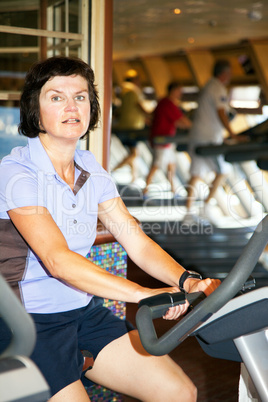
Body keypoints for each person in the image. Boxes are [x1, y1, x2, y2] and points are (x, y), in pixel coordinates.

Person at [0, 56, 220, 402]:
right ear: (34, 108)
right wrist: (143, 293)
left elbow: (136, 241)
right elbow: (58, 261)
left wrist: (185, 279)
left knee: (179, 392)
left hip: (84, 313)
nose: (72, 106)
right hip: (28, 324)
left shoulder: (90, 166)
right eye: (56, 97)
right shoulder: (17, 172)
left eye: (81, 96)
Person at [184, 59, 238, 224]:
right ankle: (204, 208)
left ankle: (190, 212)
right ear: (224, 74)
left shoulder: (209, 86)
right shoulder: (217, 88)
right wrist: (232, 134)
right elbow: (221, 113)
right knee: (222, 172)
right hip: (207, 139)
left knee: (196, 174)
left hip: (201, 135)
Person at [143, 81, 192, 197]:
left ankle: (173, 189)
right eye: (179, 91)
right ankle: (145, 190)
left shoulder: (163, 102)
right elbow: (182, 120)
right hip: (162, 140)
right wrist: (195, 128)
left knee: (171, 164)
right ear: (173, 91)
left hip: (167, 140)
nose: (181, 94)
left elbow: (176, 120)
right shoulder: (168, 103)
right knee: (156, 165)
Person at [112, 69, 149, 182]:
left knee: (133, 153)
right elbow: (140, 107)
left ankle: (134, 178)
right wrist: (151, 116)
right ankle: (112, 170)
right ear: (135, 80)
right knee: (134, 153)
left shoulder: (123, 91)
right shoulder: (134, 91)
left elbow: (120, 110)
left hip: (123, 126)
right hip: (132, 128)